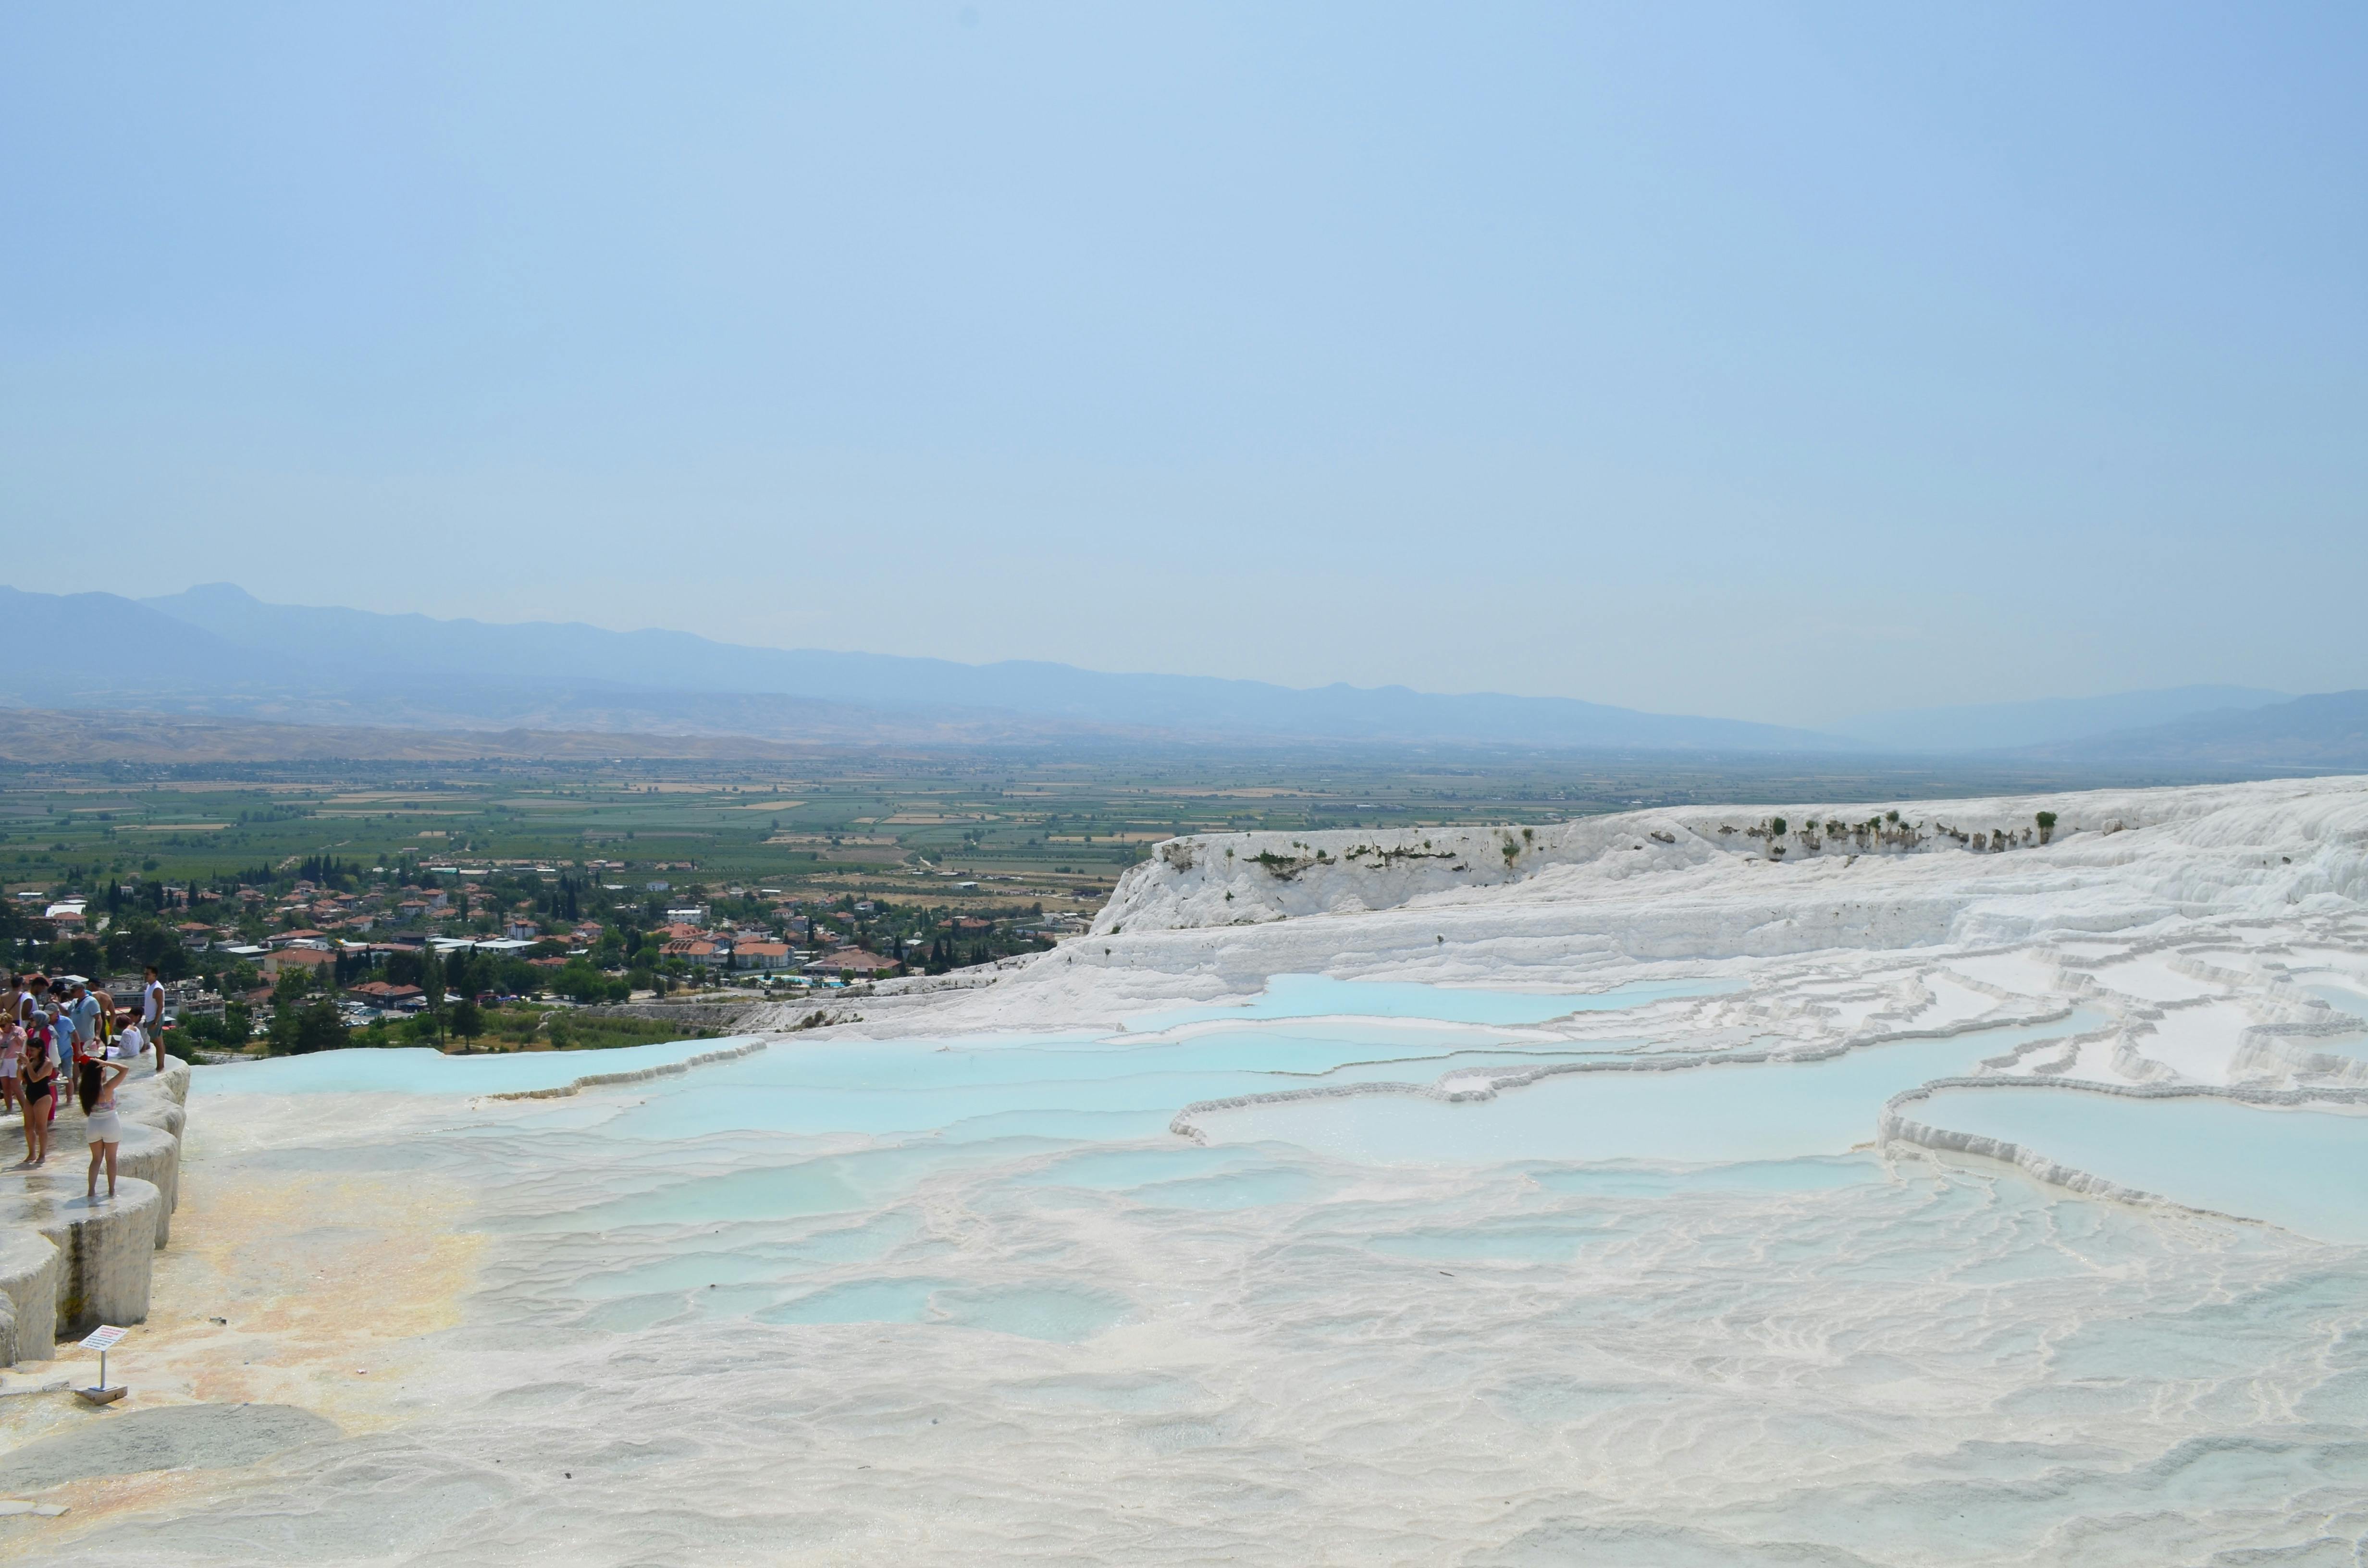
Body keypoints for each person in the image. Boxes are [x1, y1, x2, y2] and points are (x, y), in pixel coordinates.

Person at [79, 1055, 129, 1201]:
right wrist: (105, 1062)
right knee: (111, 1159)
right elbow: (125, 1070)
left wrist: (98, 1064)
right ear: (100, 1072)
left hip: (94, 1125)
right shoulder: (107, 1088)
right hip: (111, 1124)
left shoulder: (85, 1090)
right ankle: (112, 1190)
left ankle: (91, 1191)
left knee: (96, 1160)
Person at [18, 1014, 54, 1165]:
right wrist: (20, 1065)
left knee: (41, 1128)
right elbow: (22, 1078)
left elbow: (36, 1078)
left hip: (43, 1096)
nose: (30, 1053)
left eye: (32, 1050)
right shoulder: (31, 1061)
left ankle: (42, 1154)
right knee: (28, 1128)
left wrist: (28, 1064)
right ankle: (31, 1153)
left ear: (40, 1049)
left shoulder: (47, 1063)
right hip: (30, 1095)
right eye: (29, 1050)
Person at [142, 966, 169, 1073]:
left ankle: (160, 1067)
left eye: (148, 974)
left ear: (154, 975)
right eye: (145, 973)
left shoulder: (157, 988)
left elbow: (160, 1006)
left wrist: (155, 1022)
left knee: (158, 1043)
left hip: (155, 1018)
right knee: (159, 1042)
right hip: (151, 1018)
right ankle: (160, 1066)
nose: (145, 976)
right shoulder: (150, 986)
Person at [0, 1017, 20, 1119]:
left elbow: (22, 1043)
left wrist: (15, 1034)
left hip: (15, 1060)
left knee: (16, 1087)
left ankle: (25, 1108)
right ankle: (9, 1110)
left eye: (4, 1025)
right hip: (3, 1061)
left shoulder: (19, 1030)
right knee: (6, 1088)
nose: (2, 1028)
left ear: (10, 1023)